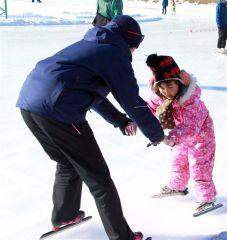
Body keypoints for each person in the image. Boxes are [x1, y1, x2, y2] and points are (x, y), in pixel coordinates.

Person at [16, 15, 164, 240]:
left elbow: (92, 94)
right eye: (135, 46)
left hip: (29, 104)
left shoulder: (94, 43)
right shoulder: (115, 54)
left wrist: (120, 121)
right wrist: (155, 133)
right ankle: (121, 237)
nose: (133, 52)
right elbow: (130, 99)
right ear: (130, 41)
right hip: (59, 110)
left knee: (67, 162)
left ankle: (65, 216)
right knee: (99, 179)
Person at [146, 54, 217, 212]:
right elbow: (149, 108)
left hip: (201, 139)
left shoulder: (191, 101)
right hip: (180, 137)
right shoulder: (162, 98)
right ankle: (177, 186)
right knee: (178, 160)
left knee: (199, 166)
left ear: (180, 83)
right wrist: (135, 116)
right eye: (162, 88)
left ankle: (206, 197)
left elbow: (191, 128)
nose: (166, 92)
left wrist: (170, 139)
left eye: (170, 86)